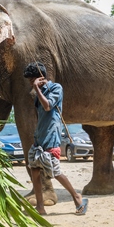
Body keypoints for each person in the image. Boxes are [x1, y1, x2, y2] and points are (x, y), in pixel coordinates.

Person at [23, 62, 88, 215]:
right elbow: (40, 116)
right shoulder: (37, 94)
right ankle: (40, 206)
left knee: (54, 171)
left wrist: (37, 88)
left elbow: (47, 106)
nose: (30, 85)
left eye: (31, 81)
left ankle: (77, 197)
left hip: (51, 137)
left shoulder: (56, 88)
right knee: (35, 170)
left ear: (39, 78)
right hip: (39, 137)